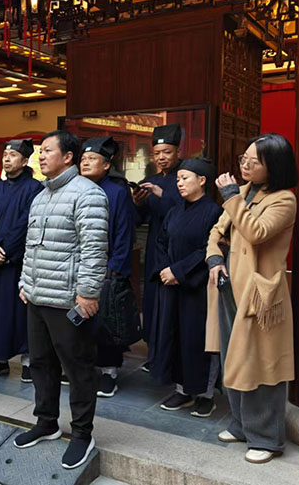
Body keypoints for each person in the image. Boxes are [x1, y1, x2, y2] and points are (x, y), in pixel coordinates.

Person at [15, 130, 109, 470]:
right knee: (40, 363)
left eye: (47, 151)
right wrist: (25, 283)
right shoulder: (41, 196)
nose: (40, 156)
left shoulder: (88, 194)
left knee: (78, 368)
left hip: (69, 300)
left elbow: (94, 249)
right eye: (39, 152)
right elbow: (31, 247)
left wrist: (88, 292)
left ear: (68, 156)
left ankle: (82, 433)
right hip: (38, 296)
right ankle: (46, 422)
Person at [206, 134, 298, 464]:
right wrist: (214, 258)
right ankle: (241, 426)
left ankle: (267, 438)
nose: (244, 165)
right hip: (228, 286)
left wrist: (232, 196)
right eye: (243, 158)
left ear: (273, 166)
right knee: (234, 358)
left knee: (262, 365)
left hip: (259, 294)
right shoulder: (243, 191)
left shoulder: (284, 200)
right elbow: (217, 231)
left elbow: (256, 232)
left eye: (253, 161)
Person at [148, 158, 222, 418]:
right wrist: (165, 270)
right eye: (178, 179)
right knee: (175, 336)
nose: (179, 183)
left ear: (202, 181)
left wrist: (179, 272)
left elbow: (209, 249)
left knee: (198, 340)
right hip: (171, 284)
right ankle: (182, 389)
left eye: (184, 178)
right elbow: (160, 242)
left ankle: (205, 394)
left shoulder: (214, 212)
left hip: (197, 287)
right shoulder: (174, 211)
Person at [0, 139, 42, 382]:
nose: (6, 158)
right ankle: (0, 359)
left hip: (20, 260)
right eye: (5, 154)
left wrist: (5, 248)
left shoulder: (35, 188)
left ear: (24, 161)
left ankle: (28, 361)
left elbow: (27, 223)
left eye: (12, 155)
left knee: (22, 311)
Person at [79, 137, 136, 398]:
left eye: (92, 159)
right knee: (79, 321)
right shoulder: (76, 188)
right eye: (83, 159)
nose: (85, 162)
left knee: (106, 323)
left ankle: (109, 372)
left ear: (106, 164)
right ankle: (82, 367)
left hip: (107, 267)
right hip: (78, 265)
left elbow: (124, 233)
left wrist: (114, 268)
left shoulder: (117, 191)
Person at [132, 124, 184, 370]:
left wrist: (163, 195)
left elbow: (189, 212)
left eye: (167, 152)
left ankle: (172, 358)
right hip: (155, 247)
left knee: (172, 304)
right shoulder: (150, 181)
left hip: (178, 250)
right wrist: (137, 203)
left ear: (178, 152)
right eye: (157, 153)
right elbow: (139, 219)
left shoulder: (186, 177)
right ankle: (153, 354)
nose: (162, 157)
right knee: (152, 301)